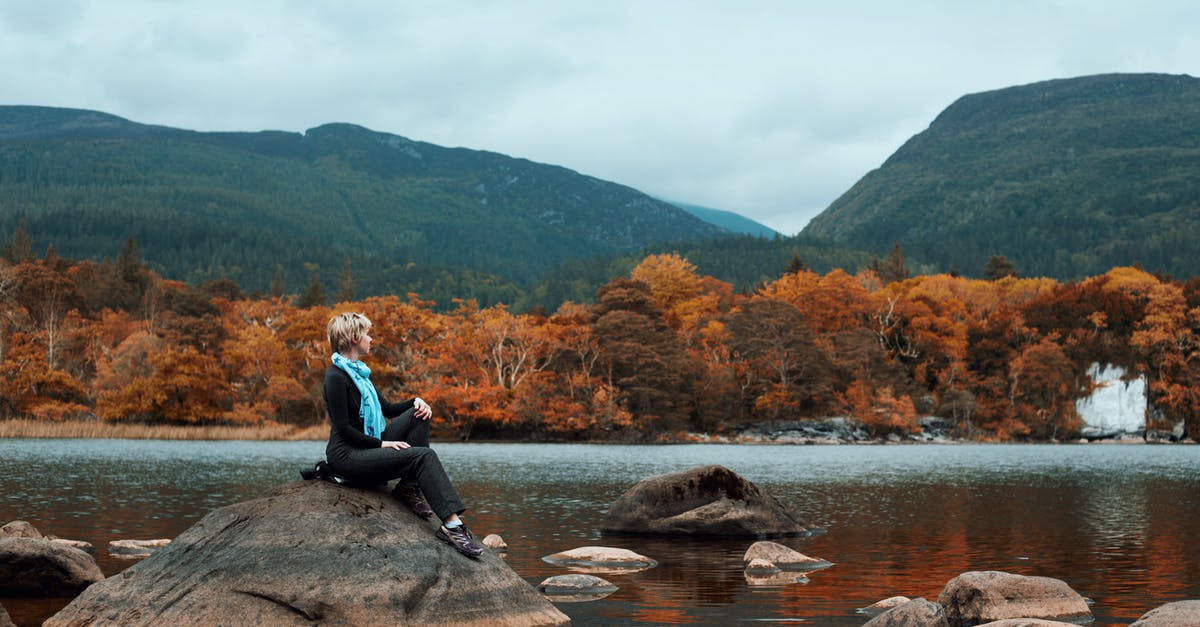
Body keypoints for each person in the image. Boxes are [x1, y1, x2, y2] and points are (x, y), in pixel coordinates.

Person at [322, 311, 484, 558]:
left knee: (420, 413)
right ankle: (452, 526)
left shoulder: (360, 374)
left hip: (367, 448)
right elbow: (344, 429)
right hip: (346, 456)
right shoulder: (335, 377)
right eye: (366, 333)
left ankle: (409, 487)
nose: (371, 338)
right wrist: (383, 443)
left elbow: (387, 409)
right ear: (354, 337)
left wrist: (416, 402)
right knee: (423, 456)